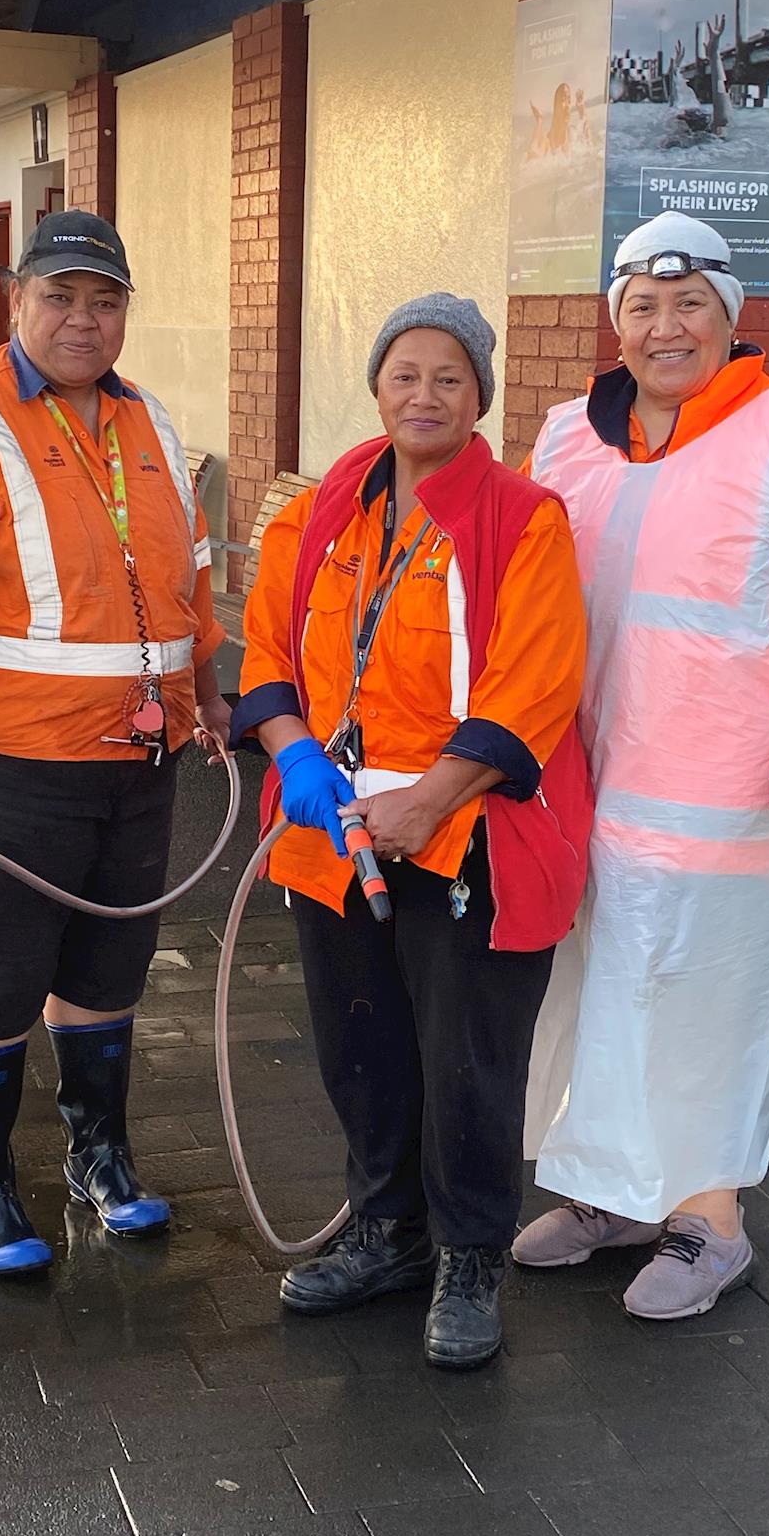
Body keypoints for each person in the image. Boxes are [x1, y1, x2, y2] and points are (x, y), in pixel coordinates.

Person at [516, 213, 769, 1319]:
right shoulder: (567, 437)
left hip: (720, 793)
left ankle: (707, 1219)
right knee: (592, 989)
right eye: (642, 306)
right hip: (584, 784)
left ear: (731, 317)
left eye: (689, 305)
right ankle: (610, 1192)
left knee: (701, 999)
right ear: (615, 322)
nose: (664, 327)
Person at [0, 210, 230, 1276]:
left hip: (139, 762)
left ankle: (97, 1156)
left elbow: (191, 582)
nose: (82, 319)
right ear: (16, 299)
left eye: (104, 301)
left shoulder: (147, 420)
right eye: (59, 296)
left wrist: (207, 700)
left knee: (109, 963)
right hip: (11, 762)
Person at [230, 294, 591, 1368]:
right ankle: (387, 1234)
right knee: (361, 1046)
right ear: (377, 387)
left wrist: (430, 800)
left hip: (466, 836)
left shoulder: (523, 519)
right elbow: (265, 652)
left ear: (479, 396)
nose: (423, 395)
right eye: (404, 374)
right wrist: (293, 752)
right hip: (331, 837)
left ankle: (468, 1256)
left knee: (469, 1060)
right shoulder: (317, 514)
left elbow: (535, 684)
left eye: (448, 377)